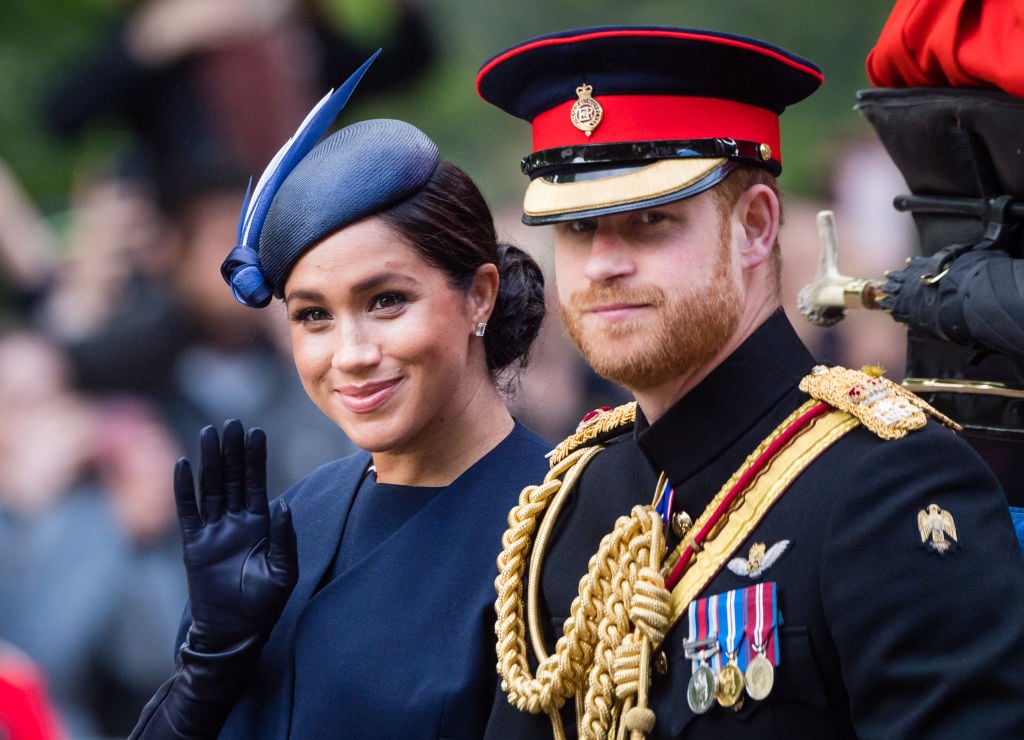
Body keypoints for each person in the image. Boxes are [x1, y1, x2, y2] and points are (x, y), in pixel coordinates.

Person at [473, 26, 1024, 738]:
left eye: (648, 221)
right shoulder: (574, 500)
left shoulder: (891, 486)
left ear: (758, 227)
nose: (603, 263)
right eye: (578, 228)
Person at [129, 53, 550, 739]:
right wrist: (207, 665)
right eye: (313, 316)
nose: (351, 355)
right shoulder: (295, 521)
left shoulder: (562, 522)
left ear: (478, 295)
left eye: (386, 301)